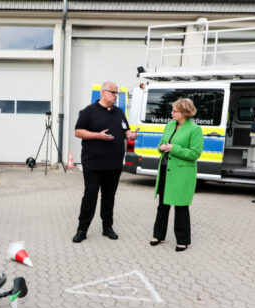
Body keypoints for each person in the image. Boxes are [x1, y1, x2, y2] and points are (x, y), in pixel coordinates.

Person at [72, 81, 138, 243]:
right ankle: (82, 229)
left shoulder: (119, 113)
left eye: (117, 94)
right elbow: (78, 132)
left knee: (109, 197)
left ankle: (107, 227)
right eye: (113, 93)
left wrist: (130, 135)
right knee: (90, 196)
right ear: (103, 93)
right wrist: (97, 136)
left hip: (114, 164)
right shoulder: (88, 111)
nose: (116, 96)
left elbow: (125, 130)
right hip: (93, 164)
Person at [150, 98, 203, 252]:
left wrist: (174, 148)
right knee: (162, 205)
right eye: (172, 110)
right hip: (166, 171)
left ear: (185, 112)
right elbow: (161, 143)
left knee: (180, 207)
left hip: (182, 174)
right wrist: (161, 147)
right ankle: (158, 235)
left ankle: (183, 240)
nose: (171, 113)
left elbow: (195, 154)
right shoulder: (170, 125)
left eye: (175, 111)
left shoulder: (195, 129)